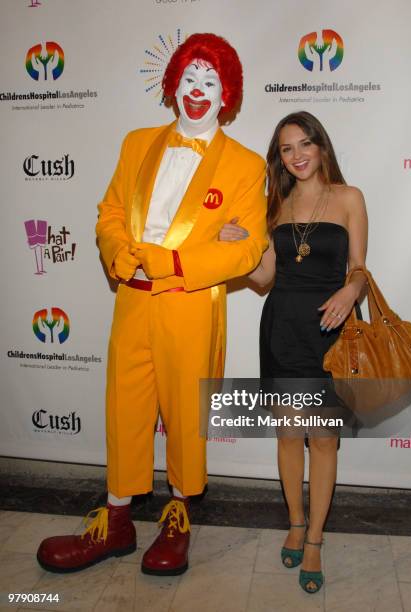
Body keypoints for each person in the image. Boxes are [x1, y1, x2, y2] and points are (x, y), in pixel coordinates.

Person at [36, 33, 267, 576]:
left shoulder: (246, 164)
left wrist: (177, 264)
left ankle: (178, 517)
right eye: (190, 79)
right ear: (173, 85)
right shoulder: (137, 142)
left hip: (189, 302)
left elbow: (251, 245)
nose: (197, 91)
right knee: (125, 409)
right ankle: (114, 522)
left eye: (211, 82)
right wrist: (116, 251)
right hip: (132, 301)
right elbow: (111, 210)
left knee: (187, 415)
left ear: (226, 94)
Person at [219, 111, 368, 593]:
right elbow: (264, 279)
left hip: (330, 333)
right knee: (288, 438)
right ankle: (296, 522)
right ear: (278, 158)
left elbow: (360, 268)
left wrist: (351, 292)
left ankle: (316, 539)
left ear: (322, 147)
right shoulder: (274, 205)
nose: (298, 155)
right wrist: (235, 252)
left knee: (323, 441)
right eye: (287, 148)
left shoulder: (349, 198)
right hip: (282, 328)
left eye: (306, 144)